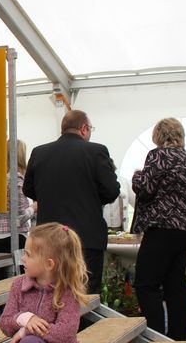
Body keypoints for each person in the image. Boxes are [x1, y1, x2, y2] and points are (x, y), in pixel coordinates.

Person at [23, 110, 119, 294]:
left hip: (49, 239)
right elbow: (112, 190)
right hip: (86, 237)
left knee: (52, 292)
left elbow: (28, 190)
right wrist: (92, 199)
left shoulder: (39, 152)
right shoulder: (96, 151)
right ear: (84, 129)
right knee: (86, 295)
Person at [131, 118, 186, 340]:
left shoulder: (158, 155)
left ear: (158, 136)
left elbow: (146, 189)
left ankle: (156, 338)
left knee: (146, 284)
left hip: (162, 226)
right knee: (176, 285)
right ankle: (177, 339)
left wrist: (136, 176)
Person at [0, 139, 36, 258]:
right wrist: (33, 208)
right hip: (12, 237)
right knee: (20, 276)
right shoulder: (16, 179)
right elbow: (19, 218)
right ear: (21, 156)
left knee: (0, 276)